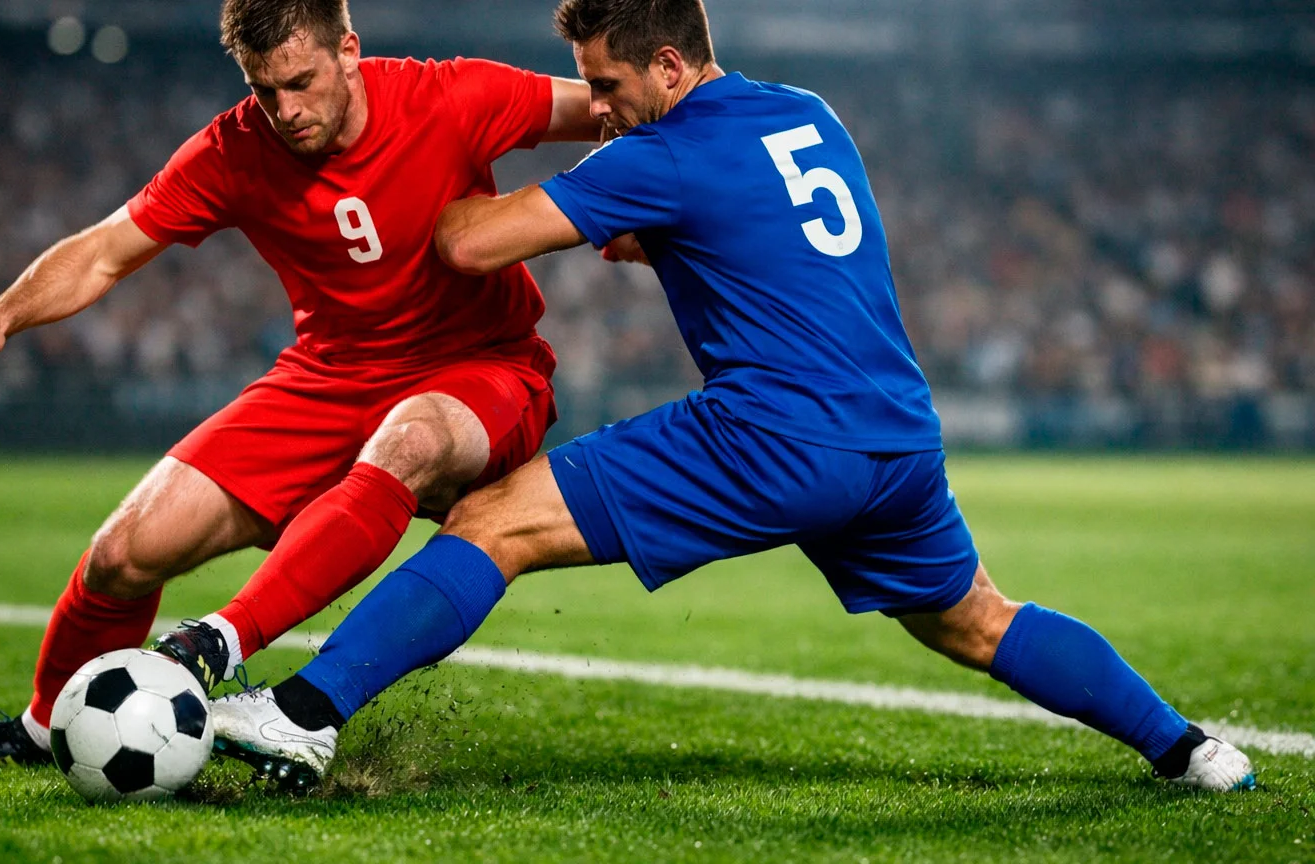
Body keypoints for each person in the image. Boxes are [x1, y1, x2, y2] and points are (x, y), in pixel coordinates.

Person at [205, 0, 1256, 794]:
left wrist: (430, 155)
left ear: (669, 63)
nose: (599, 113)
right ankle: (1192, 751)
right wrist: (649, 220)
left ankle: (303, 709)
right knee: (978, 620)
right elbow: (743, 227)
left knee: (494, 520)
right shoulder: (807, 112)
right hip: (895, 437)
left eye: (608, 86)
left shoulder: (666, 147)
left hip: (776, 432)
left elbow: (468, 243)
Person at [0, 0, 603, 771]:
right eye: (265, 90)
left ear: (348, 51)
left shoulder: (449, 94)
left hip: (483, 367)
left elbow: (612, 104)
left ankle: (220, 640)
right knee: (123, 555)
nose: (285, 111)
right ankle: (44, 729)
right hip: (327, 376)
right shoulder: (235, 148)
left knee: (414, 438)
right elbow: (106, 250)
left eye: (300, 82)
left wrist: (648, 204)